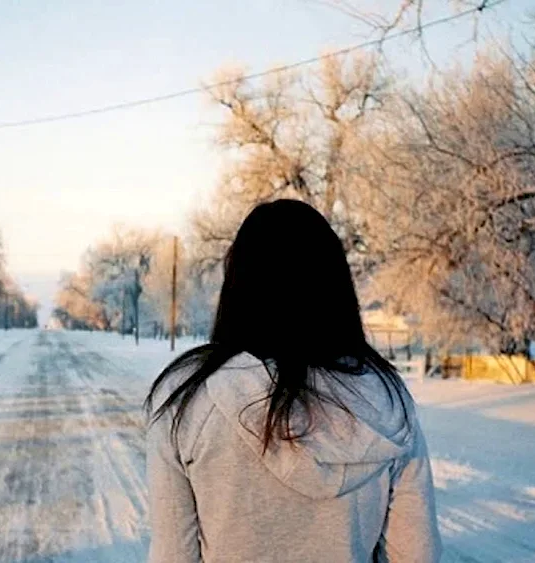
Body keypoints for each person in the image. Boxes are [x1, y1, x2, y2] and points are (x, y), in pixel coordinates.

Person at [144, 199, 440, 562]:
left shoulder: (186, 398)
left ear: (238, 284)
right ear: (334, 285)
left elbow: (173, 555)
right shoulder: (385, 399)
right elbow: (416, 554)